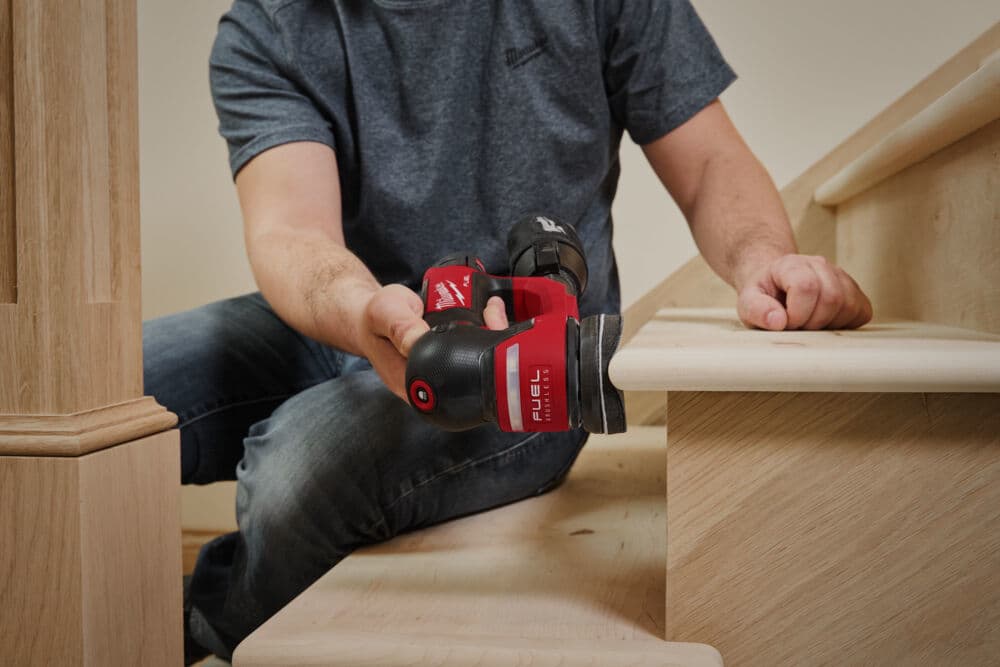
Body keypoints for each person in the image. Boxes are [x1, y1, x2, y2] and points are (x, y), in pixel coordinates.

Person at [144, 0, 873, 661]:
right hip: (350, 307)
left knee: (290, 472)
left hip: (526, 363)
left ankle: (198, 620)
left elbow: (710, 162)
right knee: (114, 387)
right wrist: (363, 312)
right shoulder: (270, 25)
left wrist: (764, 262)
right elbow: (293, 231)